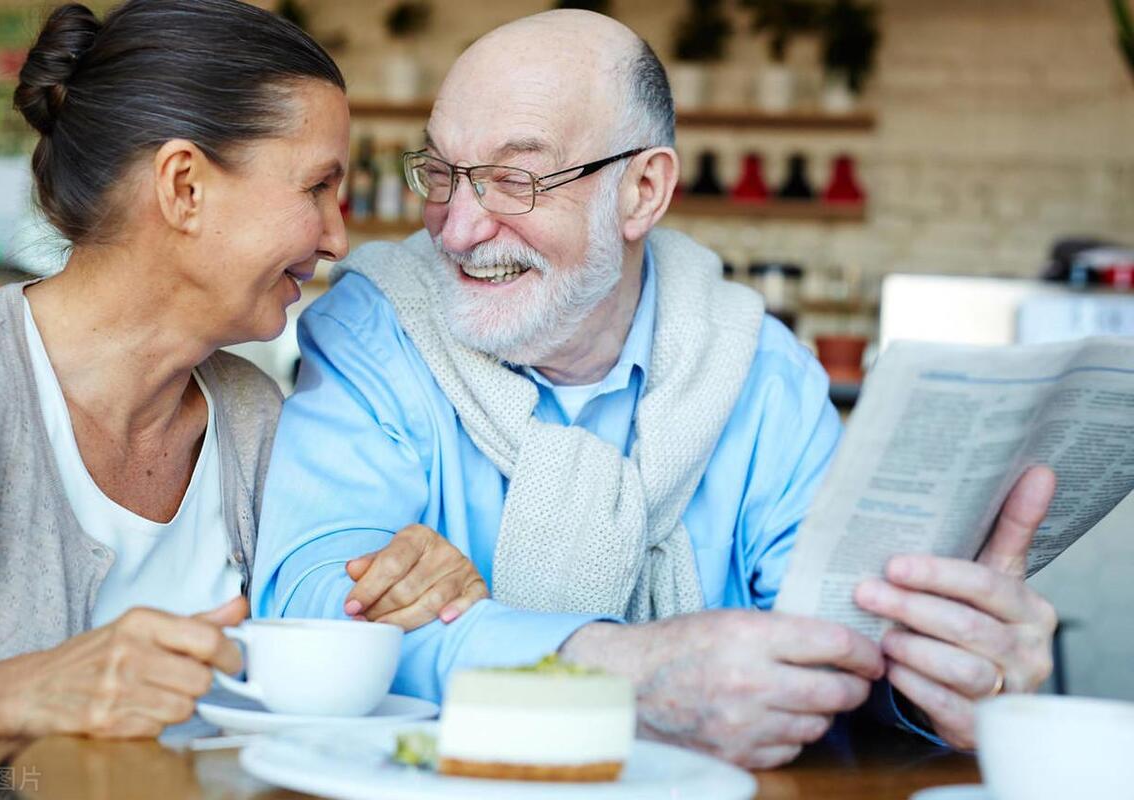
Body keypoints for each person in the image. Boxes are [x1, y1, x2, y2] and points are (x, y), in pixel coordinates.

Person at [253, 10, 1058, 768]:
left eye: (516, 180)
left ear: (643, 191)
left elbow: (846, 645)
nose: (457, 229)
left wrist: (943, 672)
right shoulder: (376, 329)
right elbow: (311, 603)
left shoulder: (763, 378)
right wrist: (621, 675)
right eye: (442, 173)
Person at [0, 0, 487, 779]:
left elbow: (308, 663)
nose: (338, 238)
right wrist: (27, 695)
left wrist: (413, 584)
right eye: (317, 187)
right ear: (184, 185)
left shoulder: (253, 414)